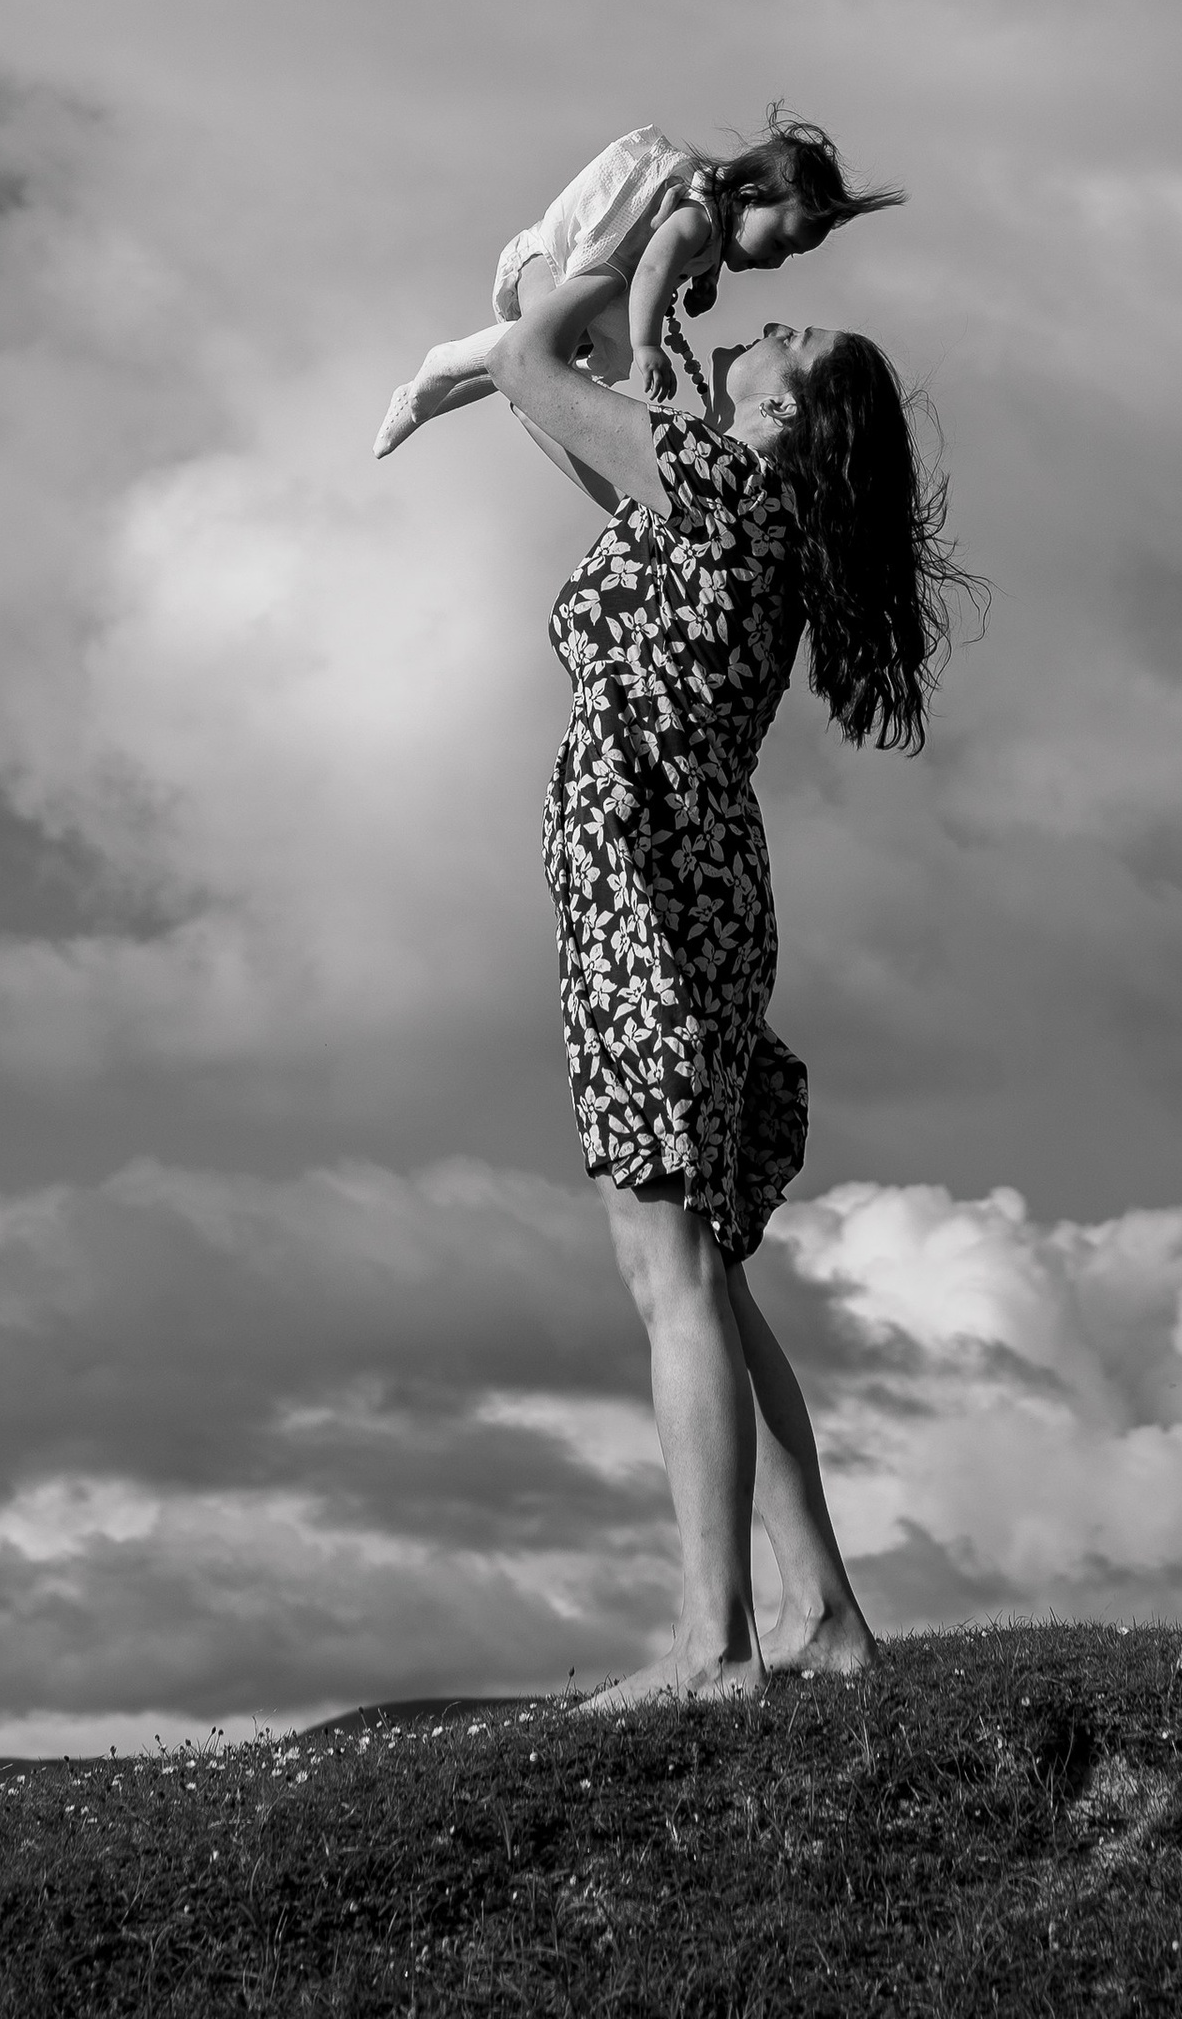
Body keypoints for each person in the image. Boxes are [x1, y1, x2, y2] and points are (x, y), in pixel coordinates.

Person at [488, 272, 977, 1708]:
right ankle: (821, 1612)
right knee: (697, 1257)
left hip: (652, 870)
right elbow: (558, 415)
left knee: (671, 1263)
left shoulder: (722, 488)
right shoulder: (718, 495)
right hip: (677, 867)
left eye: (787, 338)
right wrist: (627, 341)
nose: (761, 327)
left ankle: (714, 1647)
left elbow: (526, 361)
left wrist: (643, 227)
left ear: (787, 413)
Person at [374, 112, 900, 462]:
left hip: (581, 275)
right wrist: (647, 345)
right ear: (746, 196)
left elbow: (689, 261)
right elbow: (650, 269)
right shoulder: (696, 217)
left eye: (790, 256)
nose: (777, 261)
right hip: (562, 260)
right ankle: (440, 366)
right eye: (780, 242)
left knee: (539, 370)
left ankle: (425, 401)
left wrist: (706, 282)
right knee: (538, 358)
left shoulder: (714, 229)